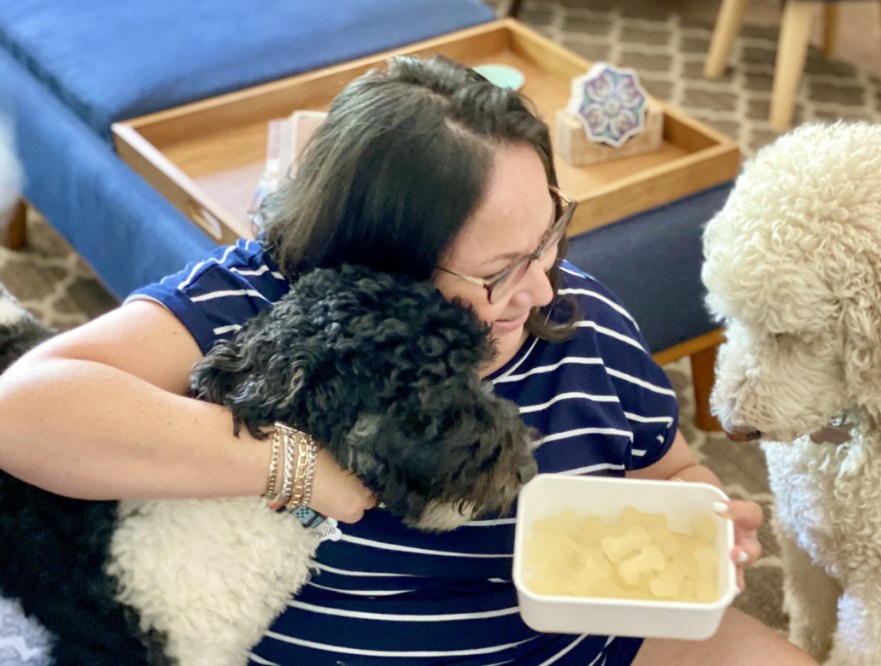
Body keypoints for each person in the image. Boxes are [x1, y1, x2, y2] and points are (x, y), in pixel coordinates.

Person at [0, 55, 816, 665]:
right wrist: (297, 466)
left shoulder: (576, 310)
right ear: (372, 263)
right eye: (497, 272)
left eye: (549, 237)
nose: (536, 288)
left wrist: (704, 526)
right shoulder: (261, 302)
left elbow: (668, 471)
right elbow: (24, 411)